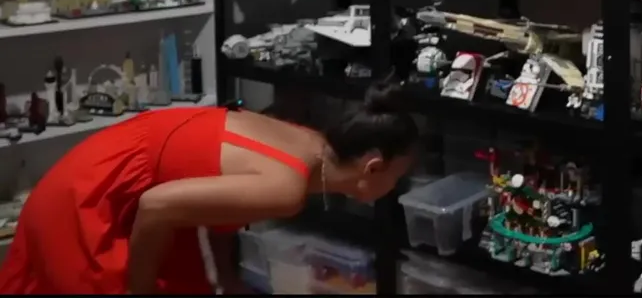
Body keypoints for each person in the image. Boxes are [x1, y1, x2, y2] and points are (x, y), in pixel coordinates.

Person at [0, 83, 418, 294]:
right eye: (397, 177)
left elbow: (219, 201)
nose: (397, 187)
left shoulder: (311, 143)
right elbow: (156, 206)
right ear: (372, 167)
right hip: (91, 200)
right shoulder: (287, 189)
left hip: (121, 180)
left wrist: (227, 278)